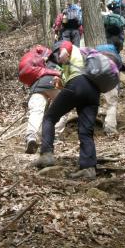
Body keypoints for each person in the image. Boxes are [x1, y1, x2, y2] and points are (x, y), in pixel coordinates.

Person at [31, 40, 100, 179]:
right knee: (86, 130)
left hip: (78, 83)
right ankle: (88, 168)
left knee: (49, 118)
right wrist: (60, 82)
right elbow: (66, 86)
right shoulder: (84, 58)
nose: (56, 61)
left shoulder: (68, 48)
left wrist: (63, 50)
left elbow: (67, 44)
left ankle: (46, 155)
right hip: (93, 91)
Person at [24, 60, 62, 154]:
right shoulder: (60, 63)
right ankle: (55, 134)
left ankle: (31, 136)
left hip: (37, 86)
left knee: (36, 111)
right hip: (53, 85)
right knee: (62, 109)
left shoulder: (39, 64)